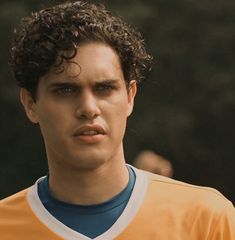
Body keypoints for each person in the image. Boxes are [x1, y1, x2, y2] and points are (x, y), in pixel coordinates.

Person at [0, 1, 234, 239]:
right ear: (30, 104)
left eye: (104, 88)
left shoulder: (206, 221)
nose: (89, 108)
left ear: (130, 96)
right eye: (65, 90)